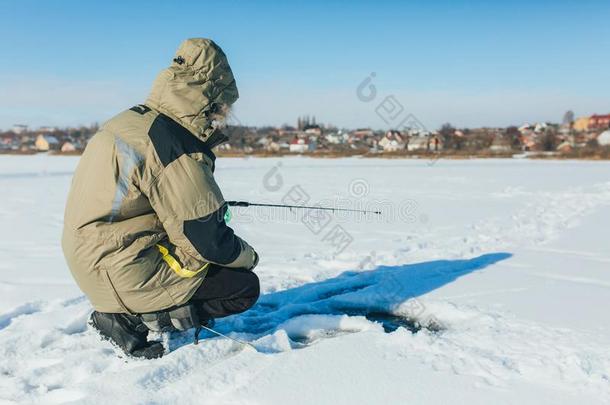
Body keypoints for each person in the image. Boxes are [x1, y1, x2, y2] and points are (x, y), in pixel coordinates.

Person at [62, 38, 259, 359]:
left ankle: (125, 309)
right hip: (122, 271)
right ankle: (128, 320)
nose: (220, 118)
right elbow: (209, 240)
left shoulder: (130, 121)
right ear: (211, 98)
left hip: (88, 263)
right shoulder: (173, 142)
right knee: (241, 286)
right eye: (222, 108)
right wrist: (249, 256)